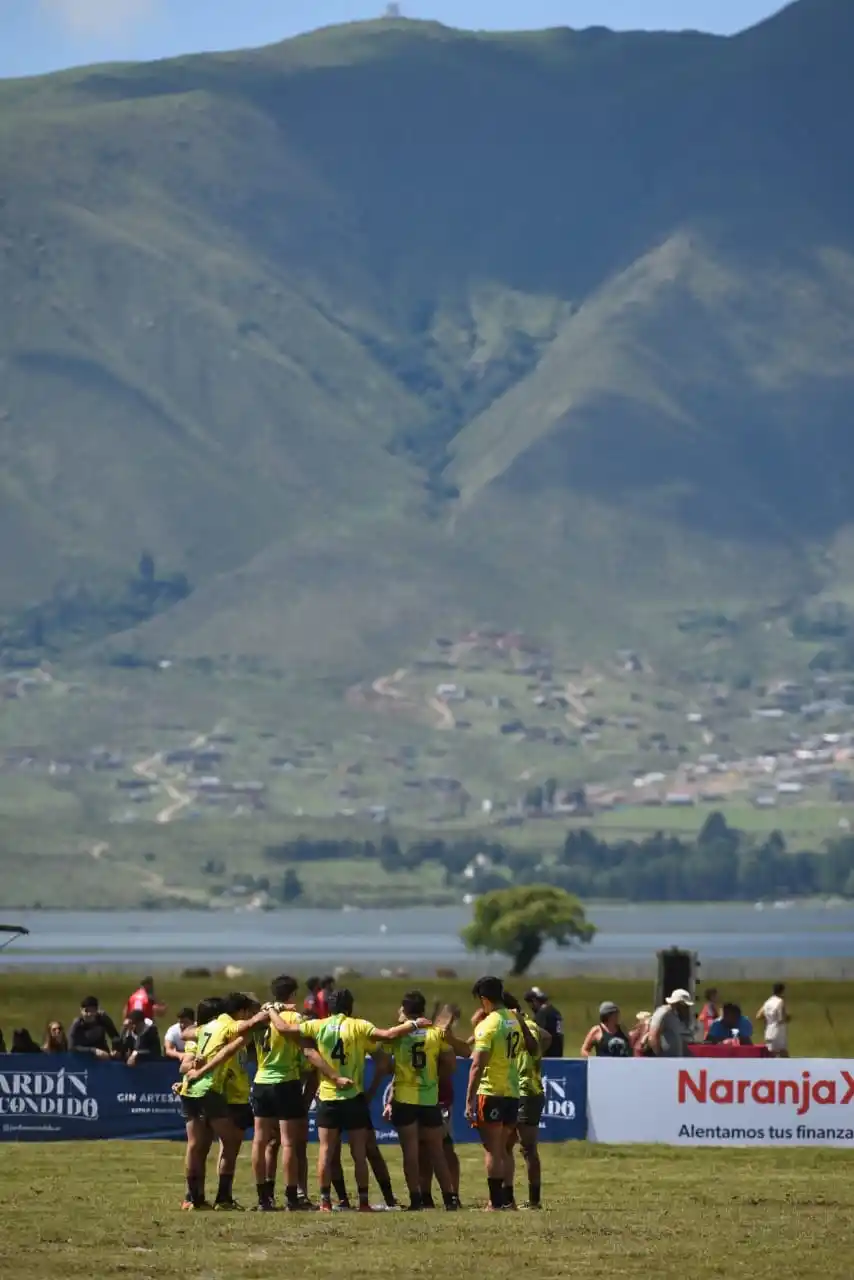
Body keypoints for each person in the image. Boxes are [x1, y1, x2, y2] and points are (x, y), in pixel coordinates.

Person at [275, 987, 429, 1213]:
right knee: (359, 1153)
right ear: (350, 1007)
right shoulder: (359, 1026)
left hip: (328, 1097)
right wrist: (414, 1024)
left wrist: (270, 1010)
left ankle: (325, 1202)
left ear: (329, 1007)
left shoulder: (318, 1025)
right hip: (353, 1097)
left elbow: (284, 1029)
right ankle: (364, 1202)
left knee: (326, 1152)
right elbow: (388, 1036)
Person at [178, 992, 263, 1210]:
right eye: (249, 1012)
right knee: (228, 1142)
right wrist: (271, 1012)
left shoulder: (208, 1029)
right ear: (241, 1012)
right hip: (215, 1091)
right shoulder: (226, 1027)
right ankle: (219, 1198)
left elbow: (189, 1033)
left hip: (201, 1091)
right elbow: (192, 1054)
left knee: (198, 1145)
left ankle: (195, 1199)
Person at [378, 990, 459, 1211]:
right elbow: (451, 1064)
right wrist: (432, 1076)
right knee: (437, 1152)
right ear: (423, 1010)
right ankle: (450, 1198)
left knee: (410, 1153)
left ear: (404, 1010)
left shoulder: (397, 1035)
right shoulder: (435, 1034)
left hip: (404, 1099)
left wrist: (399, 1069)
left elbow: (383, 1065)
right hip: (429, 1099)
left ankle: (416, 1200)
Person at [467, 975, 540, 1212]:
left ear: (484, 999)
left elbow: (477, 1066)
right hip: (512, 1092)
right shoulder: (514, 1019)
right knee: (505, 1149)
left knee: (493, 1150)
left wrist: (469, 1099)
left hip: (491, 1092)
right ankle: (509, 1201)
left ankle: (495, 1202)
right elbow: (532, 1047)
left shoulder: (488, 1025)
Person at [503, 990, 550, 1211]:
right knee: (507, 1145)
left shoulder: (519, 1025)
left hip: (526, 1091)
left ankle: (532, 1201)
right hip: (519, 1089)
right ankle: (510, 1199)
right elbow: (548, 1037)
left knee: (527, 1147)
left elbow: (538, 1042)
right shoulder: (529, 1024)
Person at [647, 989, 694, 1057]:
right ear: (678, 1003)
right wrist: (659, 1057)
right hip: (666, 1059)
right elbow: (653, 1036)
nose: (686, 1008)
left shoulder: (675, 1015)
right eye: (685, 1005)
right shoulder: (663, 1013)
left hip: (675, 1058)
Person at [524, 987, 564, 1057]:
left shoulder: (542, 1014)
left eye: (529, 1003)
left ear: (534, 1001)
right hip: (558, 1054)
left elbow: (540, 1036)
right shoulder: (555, 1012)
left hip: (546, 1056)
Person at [756, 983, 790, 1057]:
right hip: (778, 1031)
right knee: (783, 1052)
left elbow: (758, 1016)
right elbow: (781, 1018)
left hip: (769, 1030)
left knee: (771, 1054)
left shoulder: (768, 1002)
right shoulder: (780, 1001)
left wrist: (768, 1018)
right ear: (782, 991)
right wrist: (788, 1017)